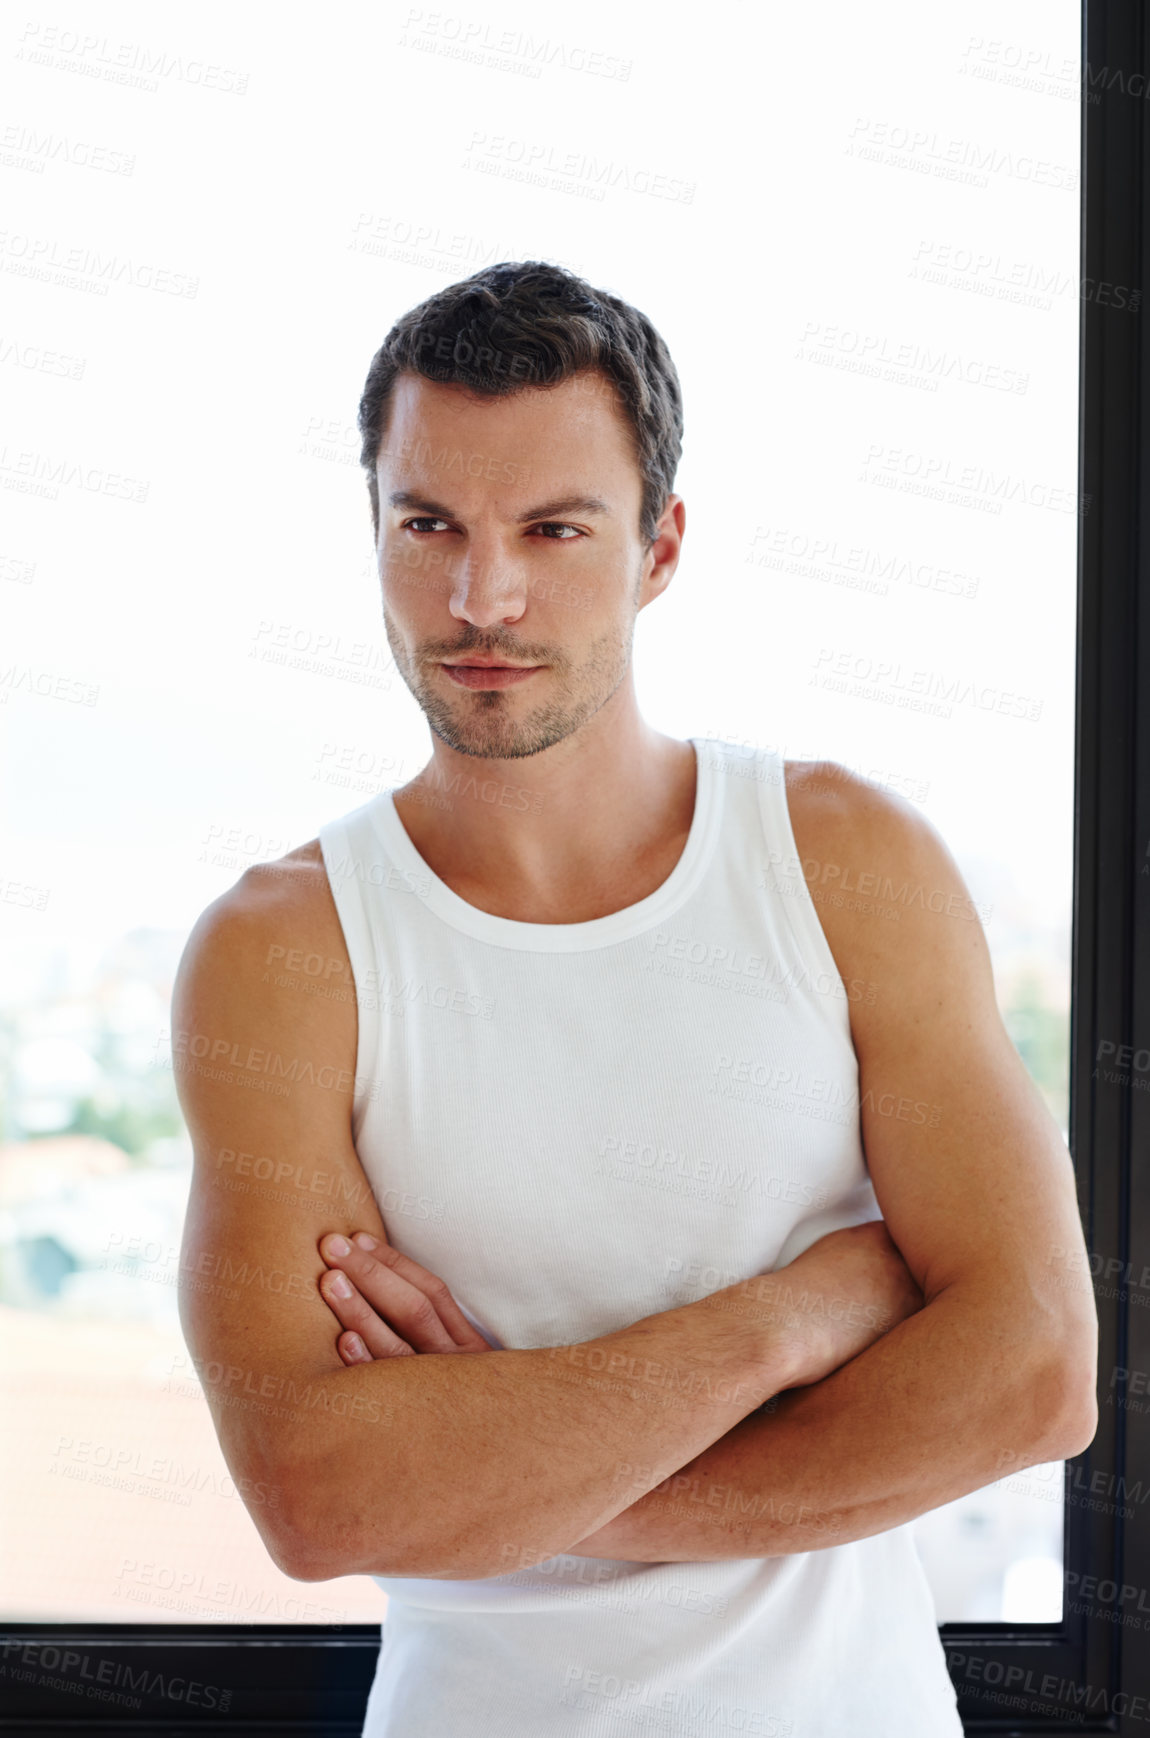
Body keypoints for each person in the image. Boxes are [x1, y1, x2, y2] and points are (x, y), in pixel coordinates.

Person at [173, 260, 1098, 1737]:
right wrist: (797, 1316)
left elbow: (1036, 1376)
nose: (482, 595)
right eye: (429, 526)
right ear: (375, 535)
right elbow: (315, 1491)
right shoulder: (285, 948)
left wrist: (506, 1487)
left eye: (553, 527)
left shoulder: (843, 858)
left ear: (659, 546)